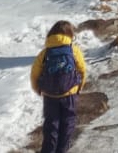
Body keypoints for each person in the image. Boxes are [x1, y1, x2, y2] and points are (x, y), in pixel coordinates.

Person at [30, 20, 87, 153]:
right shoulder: (73, 50)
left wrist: (38, 89)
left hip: (50, 95)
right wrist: (79, 87)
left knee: (51, 124)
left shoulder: (45, 53)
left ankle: (48, 150)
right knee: (68, 122)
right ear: (70, 34)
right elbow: (82, 70)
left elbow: (35, 73)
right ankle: (62, 149)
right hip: (69, 94)